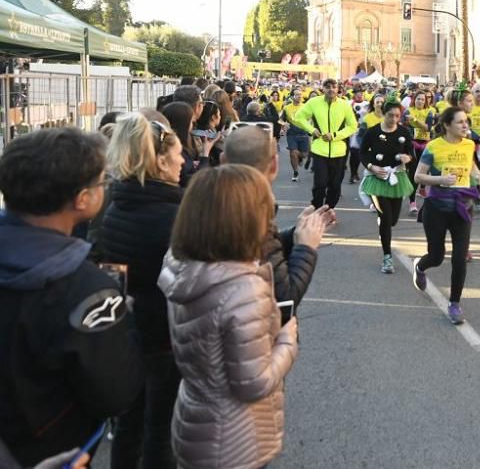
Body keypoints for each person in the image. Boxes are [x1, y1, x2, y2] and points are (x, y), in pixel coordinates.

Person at [0, 128, 143, 467]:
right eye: (101, 183)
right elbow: (117, 393)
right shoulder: (88, 293)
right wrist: (125, 326)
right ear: (82, 199)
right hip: (56, 451)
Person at [158, 165, 301, 469]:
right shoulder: (242, 289)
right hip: (235, 437)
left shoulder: (182, 266)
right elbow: (253, 382)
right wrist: (287, 339)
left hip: (194, 418)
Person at [98, 114, 185, 468]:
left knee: (129, 424)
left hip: (129, 332)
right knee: (160, 429)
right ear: (161, 160)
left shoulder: (118, 203)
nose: (184, 161)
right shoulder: (171, 215)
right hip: (164, 336)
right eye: (178, 154)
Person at [221, 127, 334, 320]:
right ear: (274, 165)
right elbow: (284, 299)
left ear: (223, 160)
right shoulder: (250, 212)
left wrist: (293, 234)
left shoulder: (209, 202)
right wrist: (306, 247)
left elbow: (259, 254)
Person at [413, 107, 480, 324]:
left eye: (467, 122)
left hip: (463, 207)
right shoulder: (433, 147)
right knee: (436, 256)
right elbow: (419, 176)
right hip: (437, 207)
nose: (466, 126)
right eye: (460, 122)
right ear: (447, 125)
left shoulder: (468, 144)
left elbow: (471, 164)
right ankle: (420, 266)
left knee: (459, 258)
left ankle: (454, 304)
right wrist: (439, 181)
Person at [360, 94, 415, 274]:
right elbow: (362, 153)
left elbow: (411, 155)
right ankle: (387, 258)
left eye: (397, 116)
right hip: (377, 178)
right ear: (384, 114)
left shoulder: (404, 133)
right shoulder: (373, 132)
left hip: (397, 178)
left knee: (393, 220)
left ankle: (383, 224)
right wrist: (371, 166)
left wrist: (407, 158)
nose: (393, 119)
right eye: (390, 115)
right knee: (385, 218)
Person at [292, 79, 359, 209]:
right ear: (323, 88)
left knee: (335, 185)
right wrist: (311, 130)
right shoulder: (314, 102)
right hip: (319, 150)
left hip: (339, 151)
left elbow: (353, 126)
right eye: (327, 87)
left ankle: (329, 209)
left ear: (338, 89)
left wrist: (334, 136)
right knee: (320, 183)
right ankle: (317, 207)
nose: (331, 89)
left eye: (334, 87)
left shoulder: (344, 105)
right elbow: (298, 117)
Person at [404, 91, 435, 215]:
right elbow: (403, 125)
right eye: (418, 99)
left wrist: (415, 120)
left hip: (426, 143)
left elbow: (427, 127)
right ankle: (412, 202)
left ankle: (422, 187)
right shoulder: (408, 111)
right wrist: (410, 128)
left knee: (425, 170)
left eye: (422, 99)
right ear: (414, 100)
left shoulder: (429, 112)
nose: (420, 101)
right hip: (412, 143)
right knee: (413, 172)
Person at [281, 88, 310, 183]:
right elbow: (280, 119)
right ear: (292, 96)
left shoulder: (306, 107)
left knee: (305, 155)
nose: (299, 96)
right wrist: (283, 124)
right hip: (292, 134)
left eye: (300, 94)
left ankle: (300, 157)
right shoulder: (286, 108)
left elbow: (311, 119)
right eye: (297, 94)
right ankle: (295, 172)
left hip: (303, 134)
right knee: (292, 153)